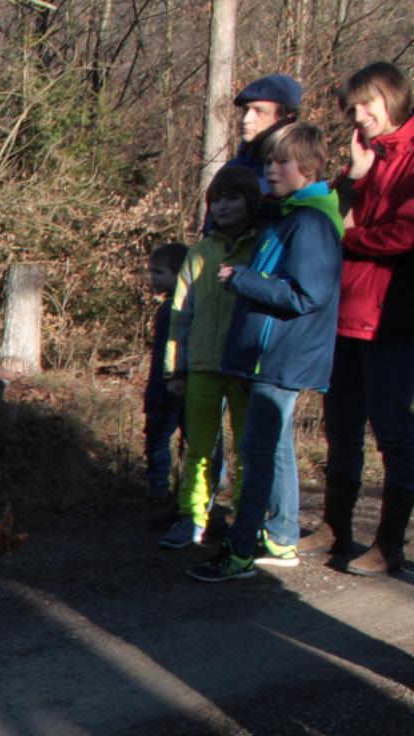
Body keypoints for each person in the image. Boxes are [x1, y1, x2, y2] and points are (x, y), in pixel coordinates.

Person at [190, 122, 345, 583]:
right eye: (268, 162)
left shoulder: (310, 222)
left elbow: (308, 294)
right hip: (273, 356)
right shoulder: (289, 214)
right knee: (274, 450)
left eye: (281, 162)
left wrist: (243, 279)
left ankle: (239, 553)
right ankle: (280, 538)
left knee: (256, 455)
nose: (271, 170)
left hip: (281, 357)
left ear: (308, 167)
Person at [309, 61, 414, 577]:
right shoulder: (366, 155)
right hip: (345, 312)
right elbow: (327, 216)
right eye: (351, 108)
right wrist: (353, 175)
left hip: (394, 318)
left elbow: (405, 235)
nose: (358, 115)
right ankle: (336, 527)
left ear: (392, 96)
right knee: (341, 427)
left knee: (393, 432)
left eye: (366, 103)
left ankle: (389, 545)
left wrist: (350, 237)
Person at [160, 165, 262, 549]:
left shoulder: (262, 248)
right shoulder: (199, 253)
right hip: (202, 364)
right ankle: (192, 517)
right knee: (198, 448)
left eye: (231, 198)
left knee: (248, 449)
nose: (222, 207)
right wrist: (175, 369)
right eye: (216, 200)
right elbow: (180, 315)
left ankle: (245, 519)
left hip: (246, 367)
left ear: (250, 201)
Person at [143, 243, 189, 505]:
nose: (153, 278)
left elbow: (168, 351)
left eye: (159, 272)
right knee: (159, 437)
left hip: (171, 387)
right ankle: (161, 487)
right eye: (151, 272)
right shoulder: (169, 307)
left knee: (160, 437)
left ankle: (162, 487)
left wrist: (173, 378)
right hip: (165, 385)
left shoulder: (177, 309)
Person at [223, 75, 304, 195]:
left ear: (287, 116)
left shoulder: (300, 170)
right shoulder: (232, 170)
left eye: (259, 111)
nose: (246, 119)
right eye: (246, 110)